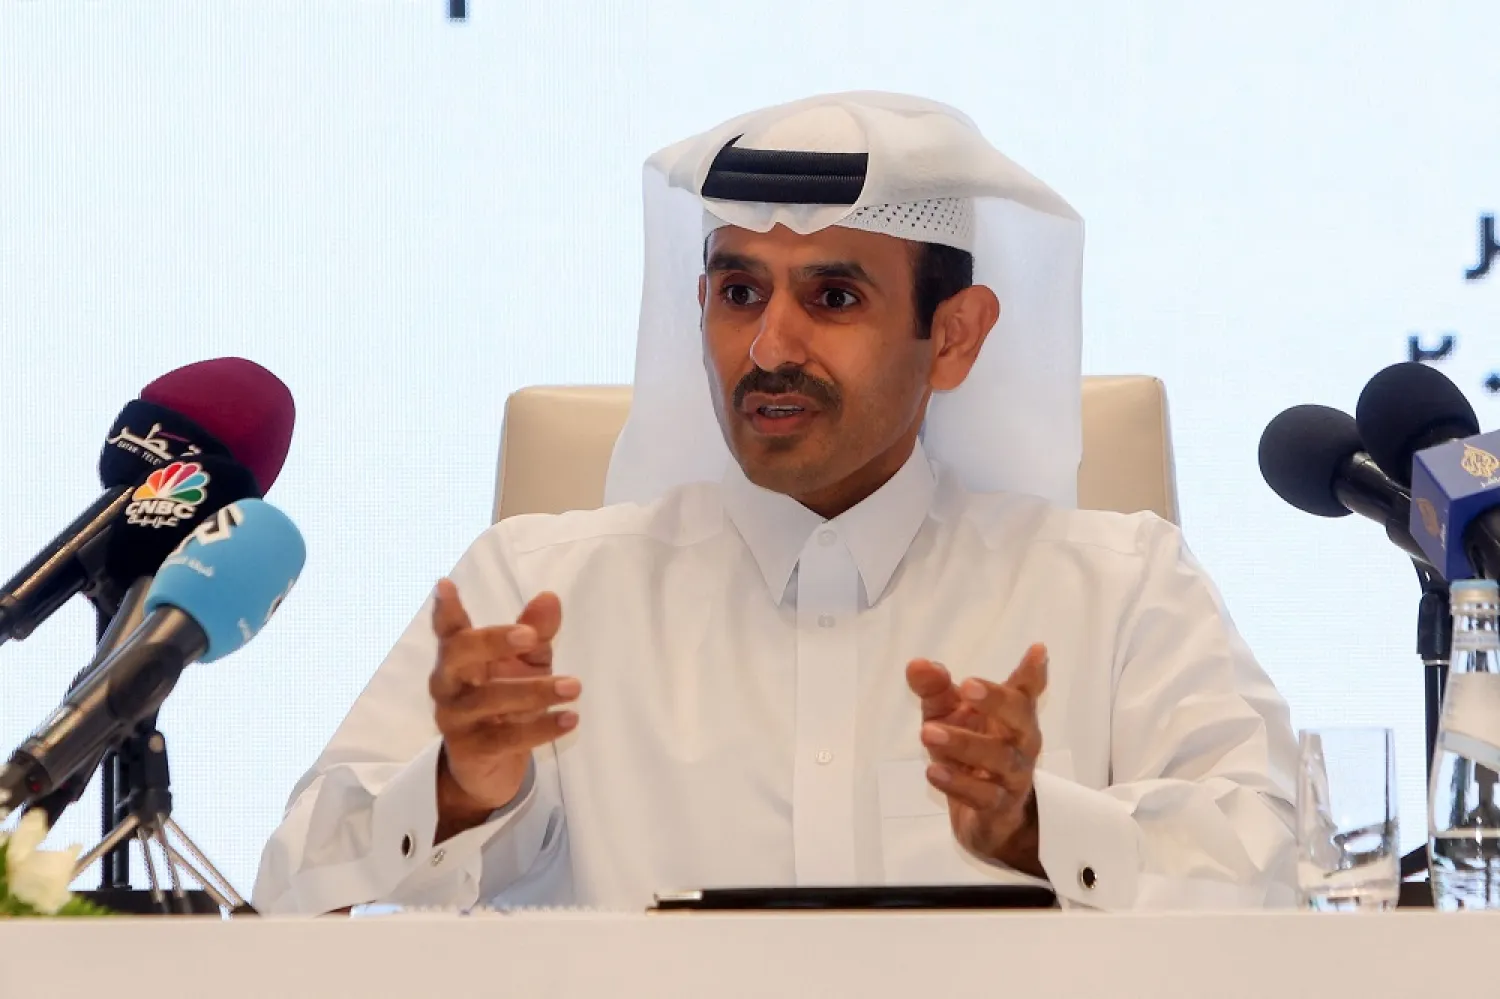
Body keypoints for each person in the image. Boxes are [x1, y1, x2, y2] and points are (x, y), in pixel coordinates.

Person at [252, 92, 1297, 915]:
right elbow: (295, 893)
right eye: (739, 291)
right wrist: (464, 789)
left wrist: (1039, 831)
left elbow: (1277, 874)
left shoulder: (1119, 589)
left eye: (833, 298)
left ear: (959, 334)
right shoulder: (536, 590)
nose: (768, 348)